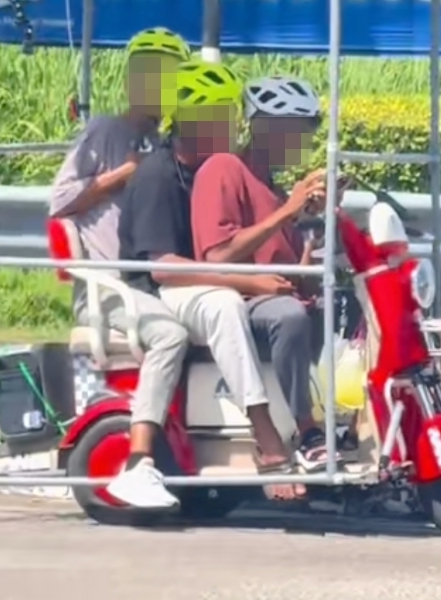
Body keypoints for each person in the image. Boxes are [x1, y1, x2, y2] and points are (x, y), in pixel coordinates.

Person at [117, 60, 308, 501]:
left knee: (232, 300)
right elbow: (164, 269)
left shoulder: (212, 171)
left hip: (186, 285)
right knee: (217, 307)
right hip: (150, 292)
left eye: (229, 117)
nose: (229, 128)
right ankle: (263, 437)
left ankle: (306, 425)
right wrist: (250, 284)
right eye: (217, 119)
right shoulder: (158, 175)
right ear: (190, 122)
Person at [48, 27, 192, 509]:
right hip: (114, 291)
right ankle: (139, 460)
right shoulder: (109, 130)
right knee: (172, 335)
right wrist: (121, 175)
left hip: (146, 278)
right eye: (152, 76)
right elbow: (61, 199)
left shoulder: (160, 140)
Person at [189, 76, 341, 472]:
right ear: (266, 131)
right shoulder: (223, 169)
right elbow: (217, 256)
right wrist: (288, 212)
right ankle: (307, 431)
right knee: (288, 315)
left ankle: (347, 415)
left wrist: (313, 227)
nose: (304, 144)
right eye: (298, 134)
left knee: (342, 303)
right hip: (237, 302)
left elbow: (296, 275)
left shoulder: (274, 189)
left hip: (276, 295)